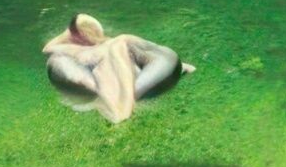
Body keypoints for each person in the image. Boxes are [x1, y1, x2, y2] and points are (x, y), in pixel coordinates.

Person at [43, 13, 192, 123]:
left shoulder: (113, 44)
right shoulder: (83, 51)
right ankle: (119, 103)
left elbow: (121, 66)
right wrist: (71, 30)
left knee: (116, 58)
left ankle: (121, 106)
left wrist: (122, 107)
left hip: (163, 64)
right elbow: (49, 48)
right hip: (167, 64)